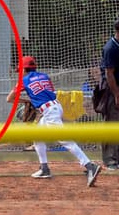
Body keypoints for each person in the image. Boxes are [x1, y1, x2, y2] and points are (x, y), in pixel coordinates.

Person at [7, 55, 101, 185]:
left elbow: (9, 99)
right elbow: (48, 93)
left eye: (21, 70)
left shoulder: (24, 80)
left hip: (50, 112)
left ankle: (90, 166)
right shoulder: (45, 76)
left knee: (65, 140)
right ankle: (44, 168)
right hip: (55, 107)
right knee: (37, 136)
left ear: (24, 69)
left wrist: (27, 101)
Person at [99, 18, 119, 170]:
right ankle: (109, 160)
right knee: (111, 123)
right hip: (112, 89)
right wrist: (117, 95)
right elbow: (109, 74)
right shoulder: (111, 48)